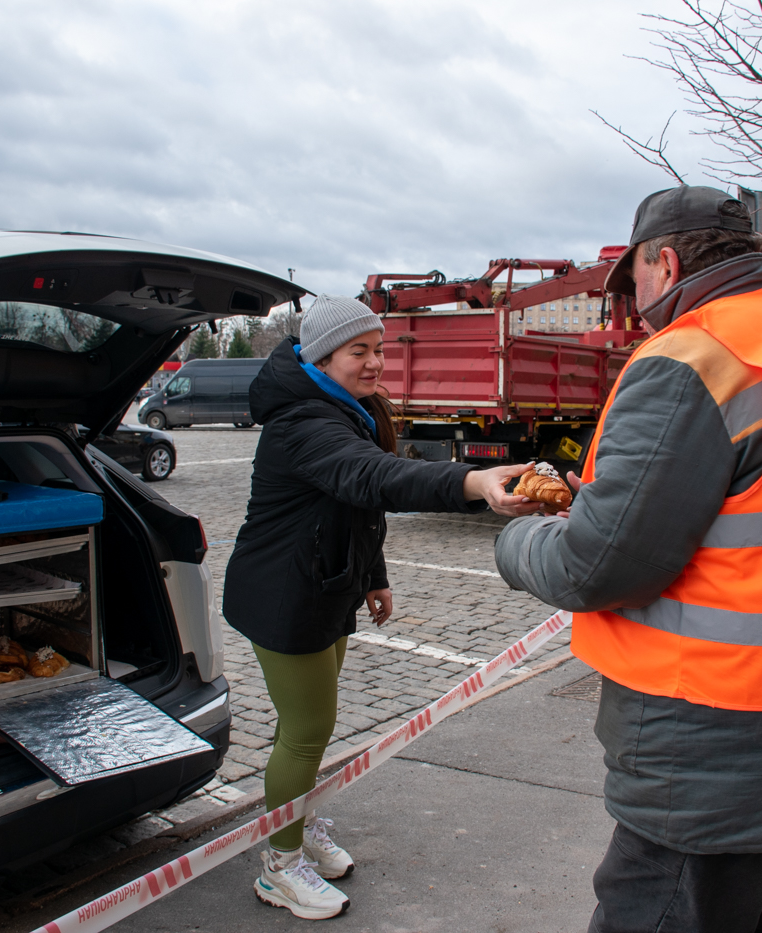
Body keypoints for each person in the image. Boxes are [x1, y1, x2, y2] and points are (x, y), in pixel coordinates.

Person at [495, 186, 762, 933]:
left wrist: (515, 543)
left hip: (714, 744)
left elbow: (596, 566)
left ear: (664, 262)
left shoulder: (697, 355)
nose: (634, 307)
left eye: (633, 284)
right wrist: (614, 503)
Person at [223, 296, 537, 920]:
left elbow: (352, 506)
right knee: (306, 731)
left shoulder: (347, 408)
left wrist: (375, 575)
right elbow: (371, 477)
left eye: (379, 349)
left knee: (307, 729)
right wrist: (471, 482)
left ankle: (298, 826)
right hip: (287, 597)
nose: (374, 363)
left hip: (328, 584)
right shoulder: (302, 422)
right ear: (321, 355)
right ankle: (279, 868)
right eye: (358, 351)